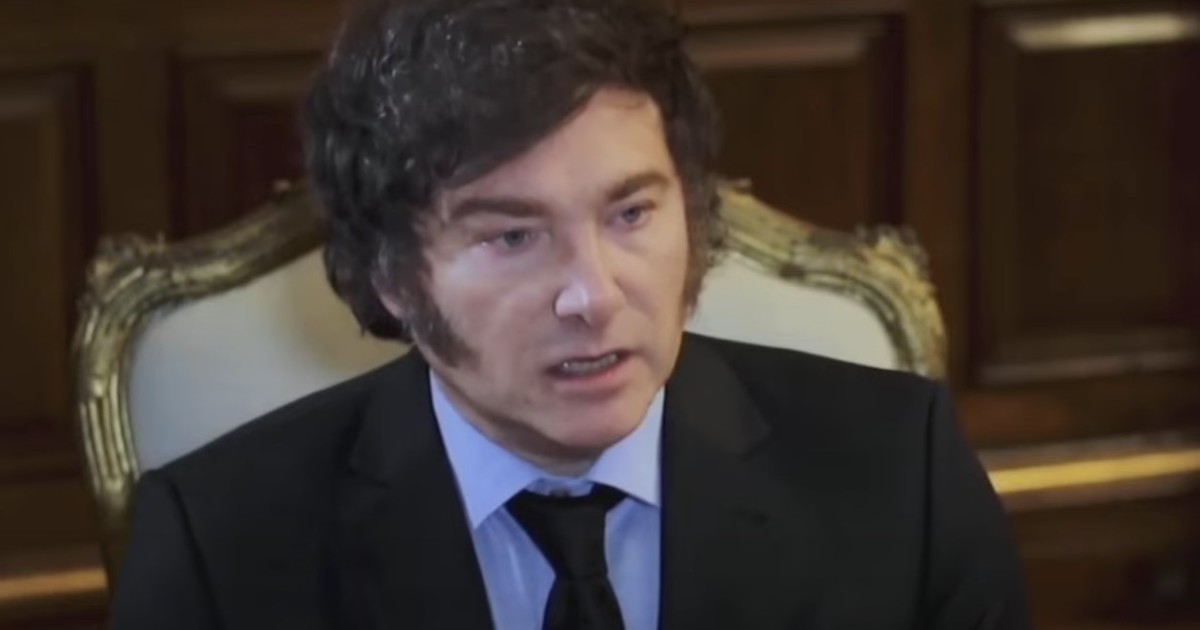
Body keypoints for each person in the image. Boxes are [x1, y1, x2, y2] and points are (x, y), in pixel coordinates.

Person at [110, 0, 1031, 628]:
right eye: (513, 236)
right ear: (389, 272)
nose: (594, 296)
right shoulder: (219, 553)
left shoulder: (902, 476)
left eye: (631, 214)